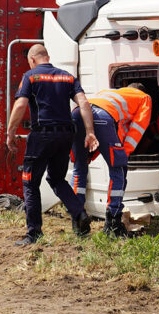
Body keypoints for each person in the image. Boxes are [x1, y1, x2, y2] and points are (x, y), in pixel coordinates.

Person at [6, 44, 98, 245]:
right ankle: (79, 213)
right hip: (66, 135)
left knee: (30, 183)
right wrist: (90, 132)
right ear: (47, 57)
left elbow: (21, 104)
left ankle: (34, 234)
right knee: (56, 179)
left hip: (42, 135)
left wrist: (10, 132)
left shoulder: (30, 76)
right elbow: (84, 103)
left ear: (32, 59)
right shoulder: (68, 77)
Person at [70, 83, 152, 237]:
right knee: (118, 169)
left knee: (79, 168)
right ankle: (113, 224)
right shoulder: (143, 97)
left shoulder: (108, 93)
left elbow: (115, 132)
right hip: (101, 116)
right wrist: (123, 154)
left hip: (76, 113)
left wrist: (90, 154)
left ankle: (78, 220)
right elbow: (138, 127)